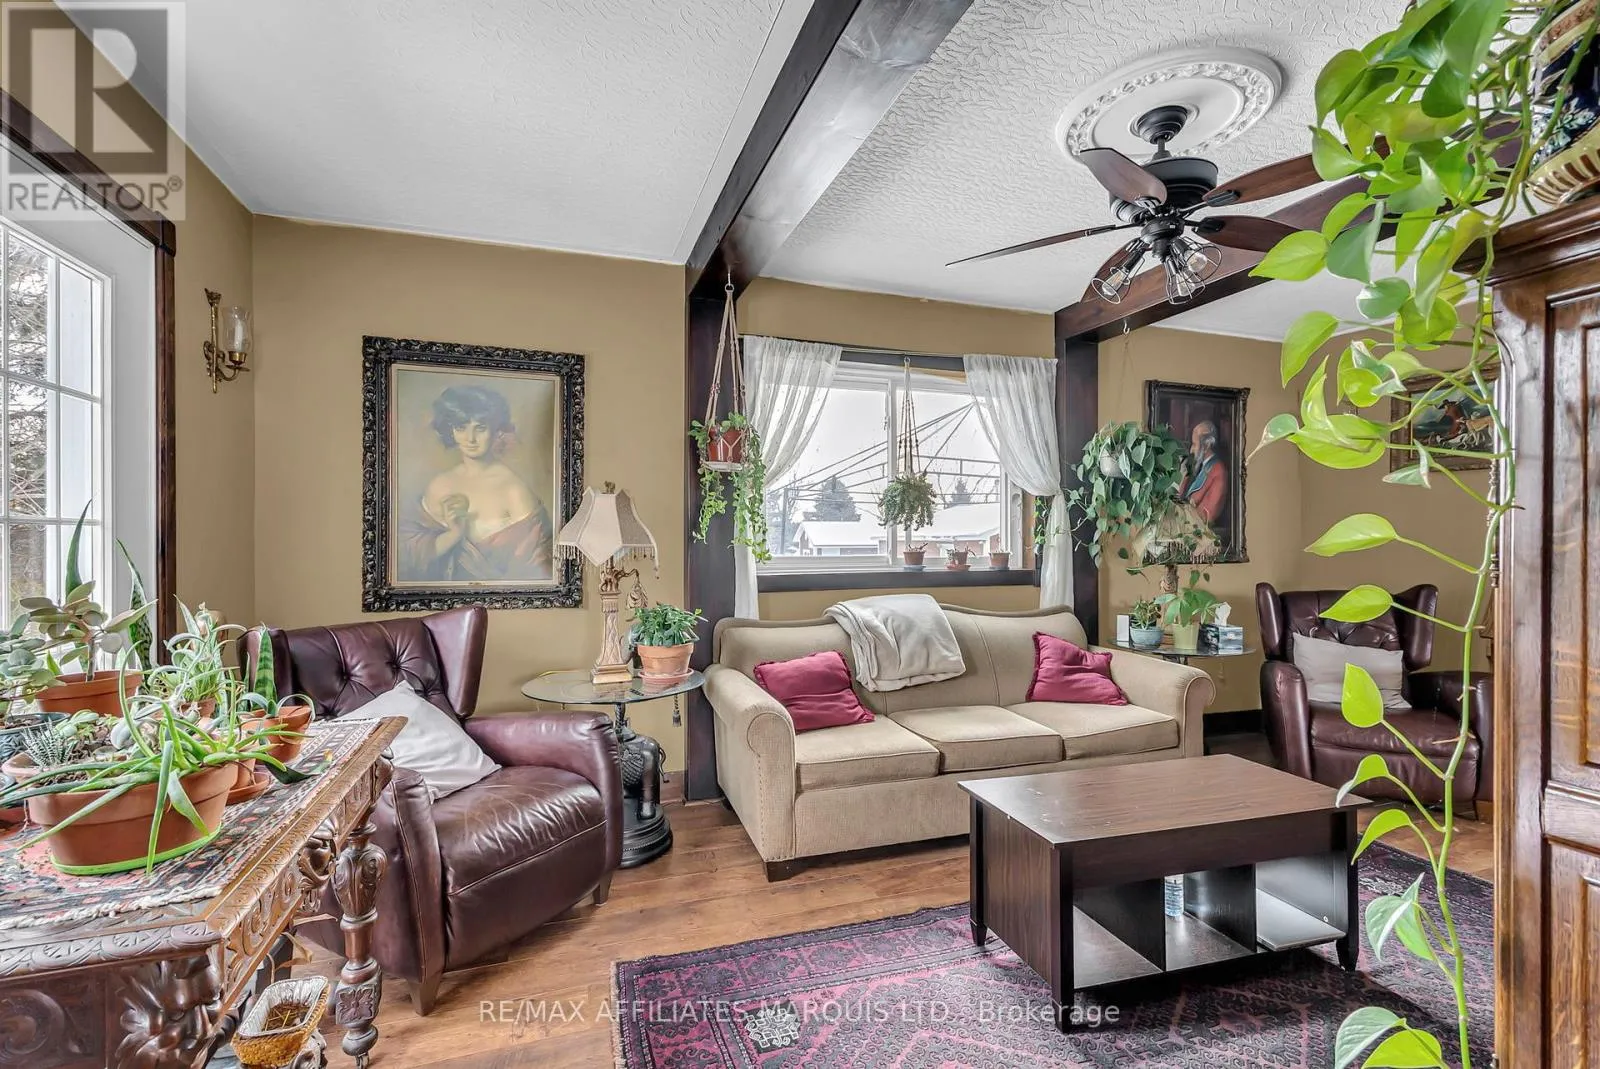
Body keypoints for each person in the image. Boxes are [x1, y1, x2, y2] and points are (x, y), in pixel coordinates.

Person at [399, 384, 553, 582]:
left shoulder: (513, 490)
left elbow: (536, 567)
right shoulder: (439, 485)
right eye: (461, 428)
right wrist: (454, 535)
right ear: (450, 431)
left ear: (496, 430)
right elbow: (415, 556)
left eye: (480, 428)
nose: (470, 439)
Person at [1179, 420, 1227, 527]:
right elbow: (1180, 496)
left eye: (1194, 444)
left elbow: (1207, 515)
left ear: (1206, 445)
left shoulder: (1218, 471)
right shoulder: (1197, 467)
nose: (1191, 450)